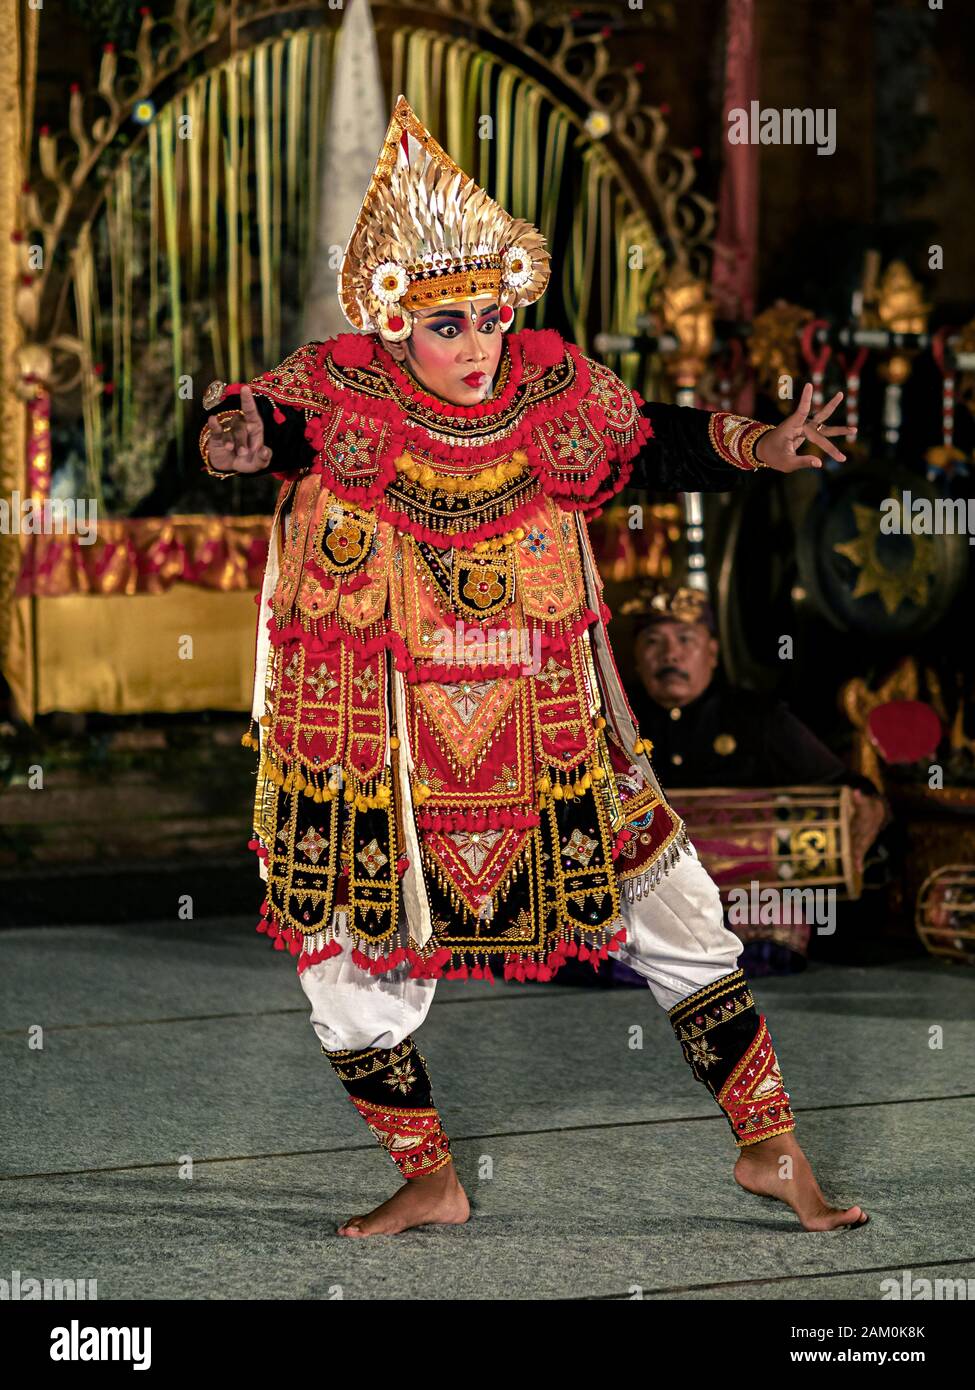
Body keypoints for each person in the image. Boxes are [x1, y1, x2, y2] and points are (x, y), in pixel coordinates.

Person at [198, 97, 867, 1237]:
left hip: (549, 728)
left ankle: (772, 1146)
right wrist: (229, 437)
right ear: (396, 322)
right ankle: (432, 1175)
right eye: (446, 323)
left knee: (678, 911)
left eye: (488, 319)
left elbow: (649, 435)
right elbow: (257, 423)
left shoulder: (552, 395)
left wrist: (763, 442)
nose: (474, 347)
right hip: (393, 743)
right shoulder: (342, 397)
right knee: (348, 963)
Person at [620, 584, 888, 970]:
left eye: (685, 639)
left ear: (712, 653)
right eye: (653, 642)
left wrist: (866, 808)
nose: (670, 654)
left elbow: (846, 788)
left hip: (743, 896)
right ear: (636, 657)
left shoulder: (759, 718)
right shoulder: (616, 727)